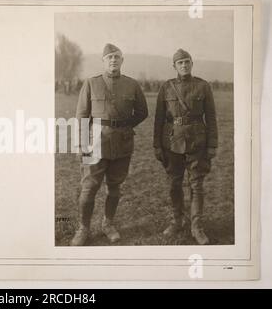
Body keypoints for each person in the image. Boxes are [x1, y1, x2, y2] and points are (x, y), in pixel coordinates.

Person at [71, 43, 148, 246]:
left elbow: (142, 112)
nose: (113, 60)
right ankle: (83, 228)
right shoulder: (91, 83)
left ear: (122, 61)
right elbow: (81, 115)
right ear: (103, 61)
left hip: (122, 143)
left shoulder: (132, 85)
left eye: (117, 57)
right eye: (109, 58)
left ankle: (108, 224)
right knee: (89, 188)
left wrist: (125, 125)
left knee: (115, 187)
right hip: (94, 143)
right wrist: (80, 143)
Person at [153, 48, 218, 245]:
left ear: (192, 64)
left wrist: (212, 145)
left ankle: (197, 227)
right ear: (174, 66)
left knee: (197, 186)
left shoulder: (203, 86)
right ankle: (177, 220)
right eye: (180, 63)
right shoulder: (166, 88)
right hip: (172, 143)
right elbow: (158, 119)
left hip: (198, 142)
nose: (184, 65)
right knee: (174, 184)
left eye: (187, 61)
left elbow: (212, 117)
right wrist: (157, 145)